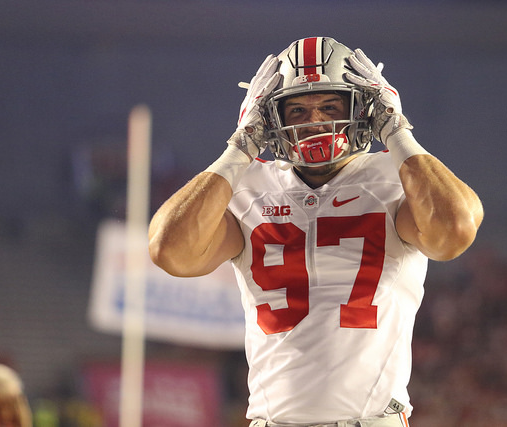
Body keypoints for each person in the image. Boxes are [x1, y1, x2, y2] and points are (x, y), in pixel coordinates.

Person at [149, 36, 484, 426]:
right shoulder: (247, 186)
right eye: (298, 109)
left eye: (329, 106)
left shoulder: (399, 177)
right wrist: (239, 147)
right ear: (271, 119)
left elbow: (454, 233)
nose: (316, 121)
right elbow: (169, 250)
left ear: (364, 109)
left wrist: (398, 131)